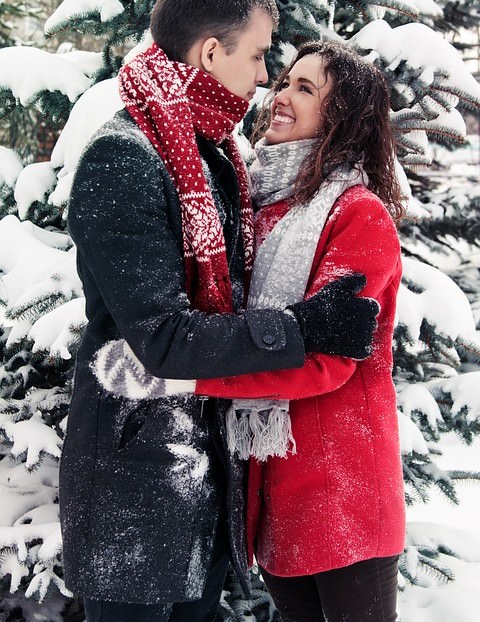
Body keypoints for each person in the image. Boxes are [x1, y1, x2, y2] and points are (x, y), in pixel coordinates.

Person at [60, 2, 379, 622]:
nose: (264, 78)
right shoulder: (125, 158)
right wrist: (302, 328)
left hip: (208, 489)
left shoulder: (215, 161)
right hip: (138, 496)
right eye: (259, 56)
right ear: (211, 53)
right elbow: (163, 339)